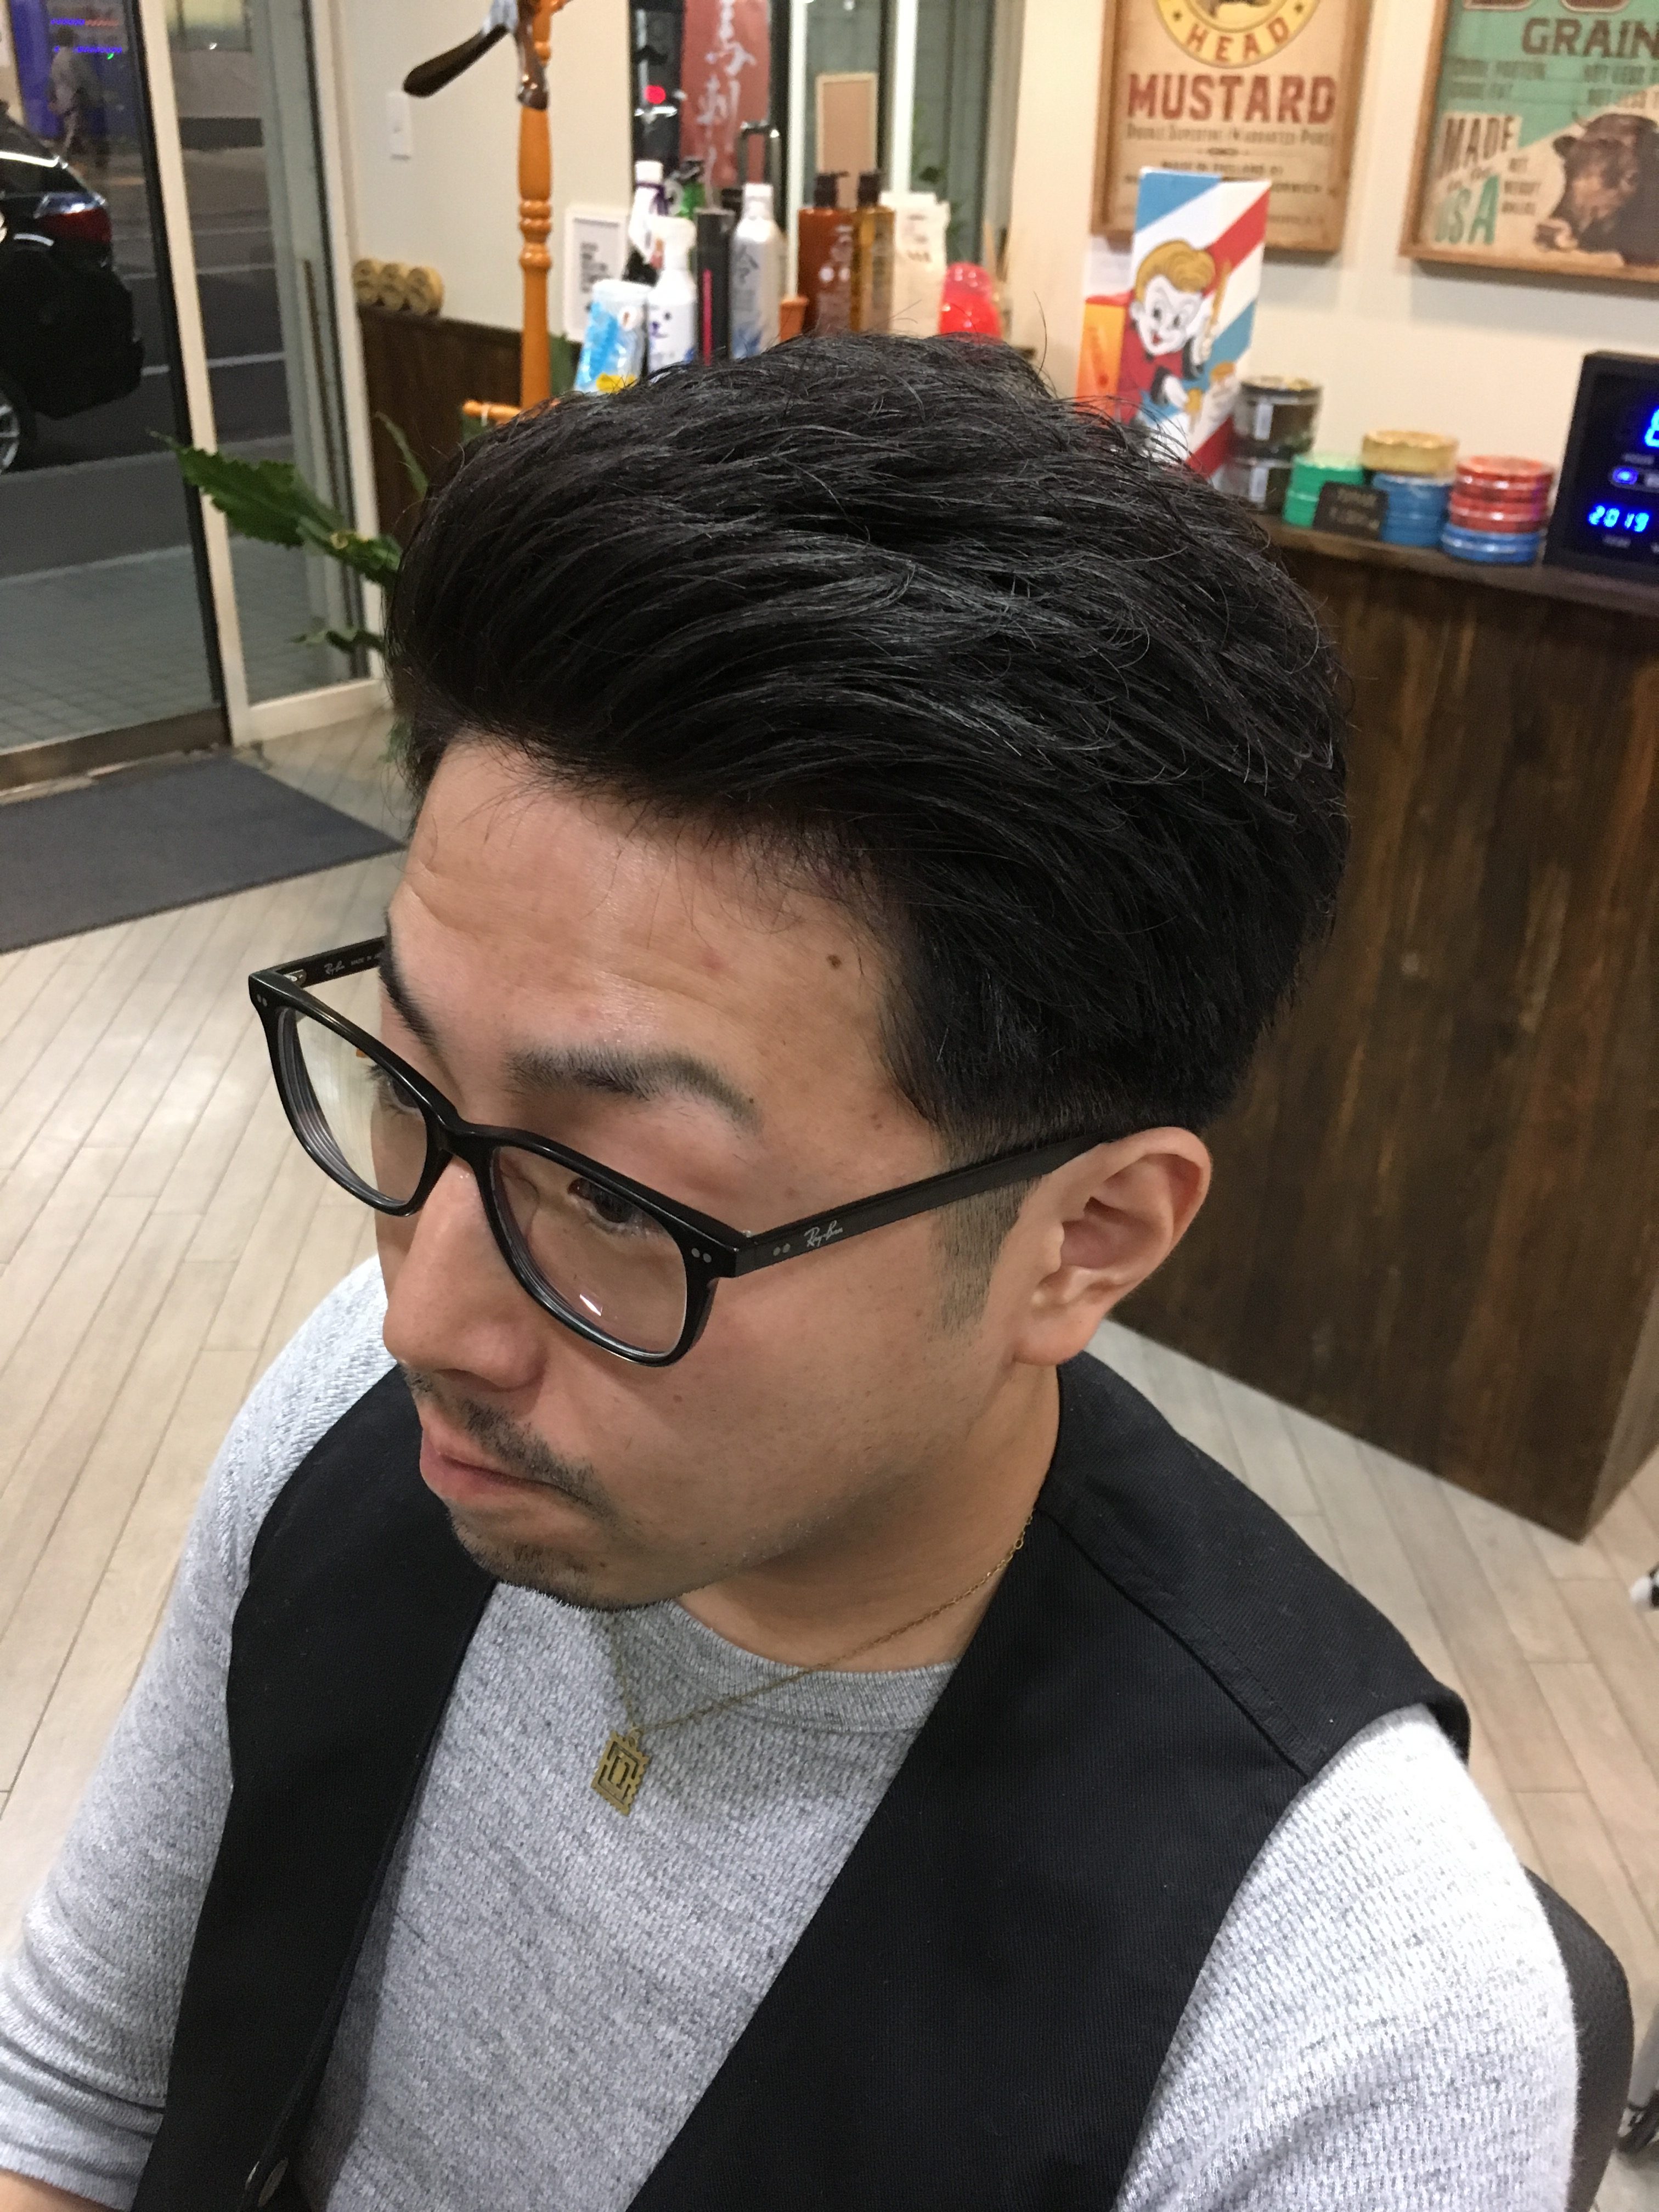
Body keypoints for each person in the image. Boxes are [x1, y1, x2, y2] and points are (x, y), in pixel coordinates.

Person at [0, 336, 1574, 2211]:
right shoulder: (358, 1413)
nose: (421, 1313)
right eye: (407, 1088)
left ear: (1085, 1239)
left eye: (616, 1199)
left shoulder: (1342, 2032)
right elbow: (71, 2101)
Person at [46, 28, 103, 172]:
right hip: (73, 100)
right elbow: (76, 80)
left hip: (64, 99)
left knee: (80, 130)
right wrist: (85, 94)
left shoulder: (57, 58)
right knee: (73, 132)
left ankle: (95, 158)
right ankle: (62, 160)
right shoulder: (71, 57)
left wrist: (53, 99)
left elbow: (53, 81)